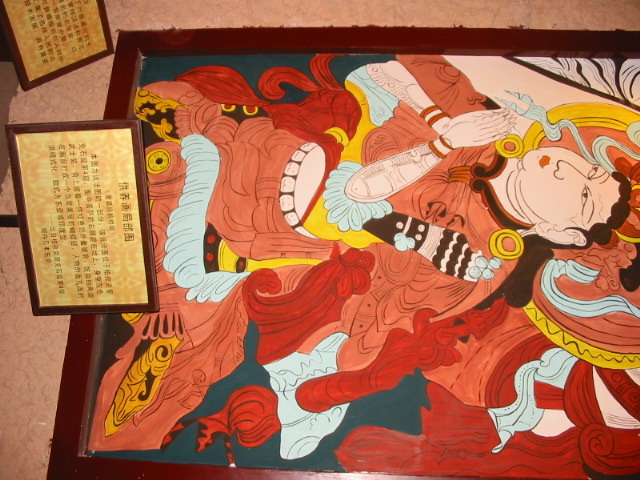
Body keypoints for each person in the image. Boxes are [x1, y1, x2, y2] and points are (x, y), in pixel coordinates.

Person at [89, 53, 640, 478]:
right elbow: (383, 71)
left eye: (584, 194)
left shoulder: (473, 265)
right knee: (179, 124)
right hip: (291, 146)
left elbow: (350, 202)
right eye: (590, 168)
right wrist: (439, 119)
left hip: (283, 229)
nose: (572, 169)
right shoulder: (491, 124)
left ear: (561, 235)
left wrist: (438, 145)